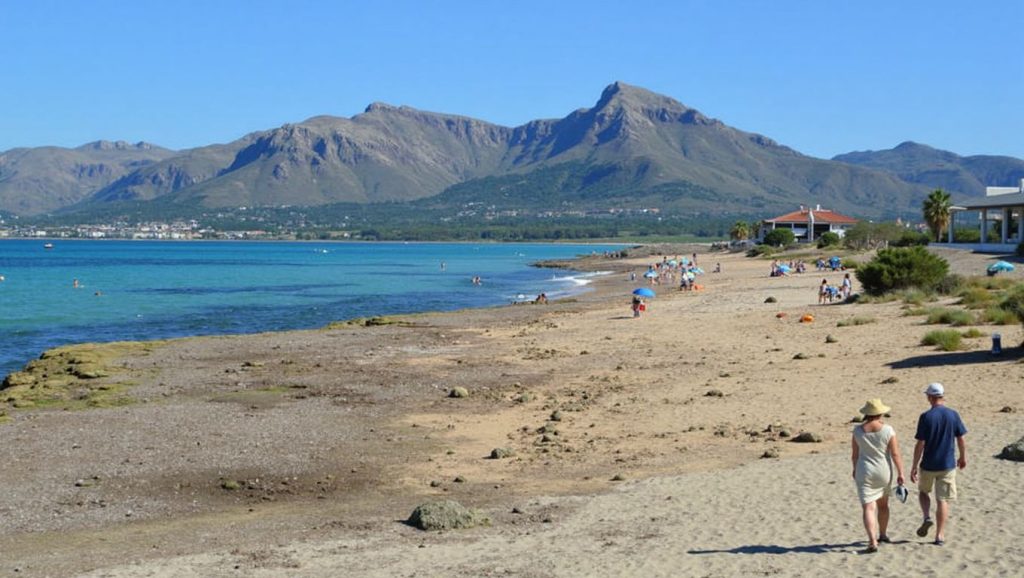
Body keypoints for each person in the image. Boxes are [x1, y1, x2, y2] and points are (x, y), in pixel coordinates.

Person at [910, 382, 967, 546]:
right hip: (947, 464)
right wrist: (962, 457)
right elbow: (961, 439)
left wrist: (914, 466)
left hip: (928, 464)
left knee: (923, 491)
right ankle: (939, 535)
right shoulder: (953, 414)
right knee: (942, 500)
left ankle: (926, 516)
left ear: (930, 397)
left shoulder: (926, 417)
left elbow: (920, 443)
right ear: (942, 396)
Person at [851, 398, 906, 553]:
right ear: (880, 413)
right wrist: (901, 472)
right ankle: (882, 534)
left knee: (868, 508)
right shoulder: (888, 430)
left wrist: (855, 469)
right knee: (883, 505)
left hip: (864, 470)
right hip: (883, 471)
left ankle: (872, 540)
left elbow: (854, 455)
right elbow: (895, 454)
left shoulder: (857, 431)